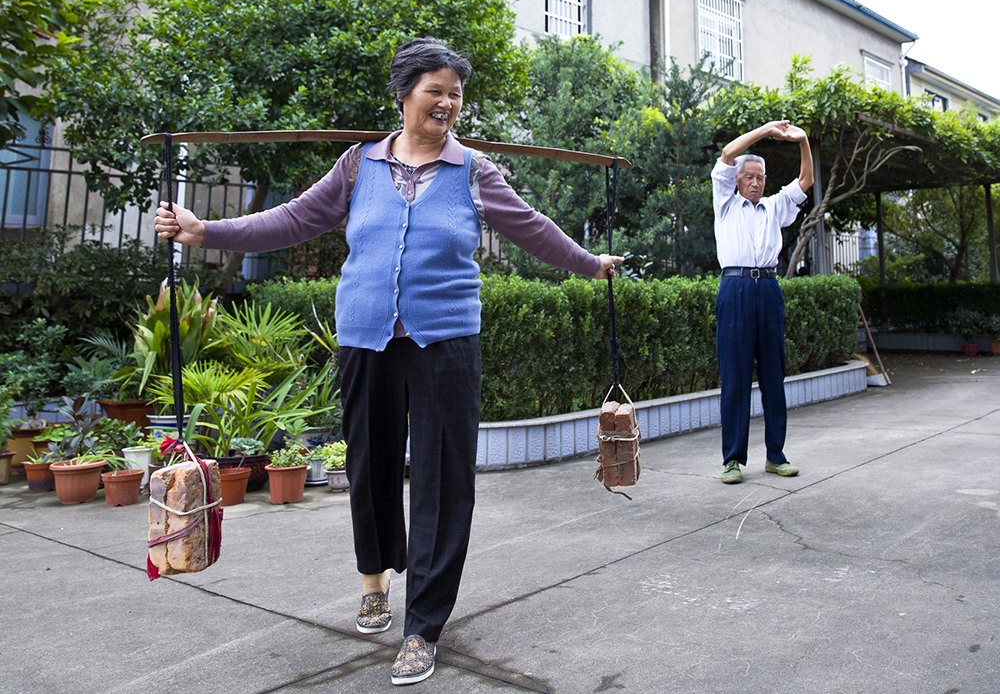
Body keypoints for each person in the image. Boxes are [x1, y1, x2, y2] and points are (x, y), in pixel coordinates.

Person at [154, 36, 622, 686]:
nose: (448, 104)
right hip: (365, 338)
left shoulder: (474, 171)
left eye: (456, 94)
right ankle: (373, 579)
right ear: (404, 94)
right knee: (371, 468)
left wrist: (589, 262)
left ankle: (424, 624)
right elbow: (292, 221)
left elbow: (532, 227)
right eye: (436, 91)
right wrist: (208, 231)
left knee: (441, 481)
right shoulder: (357, 165)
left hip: (446, 345)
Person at [711, 120, 813, 485]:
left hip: (768, 289)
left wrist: (802, 141)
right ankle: (732, 460)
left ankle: (776, 456)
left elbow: (805, 182)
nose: (755, 182)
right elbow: (727, 154)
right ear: (737, 180)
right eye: (749, 176)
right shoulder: (725, 204)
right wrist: (767, 130)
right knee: (735, 378)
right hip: (735, 289)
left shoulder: (774, 208)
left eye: (760, 177)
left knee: (773, 375)